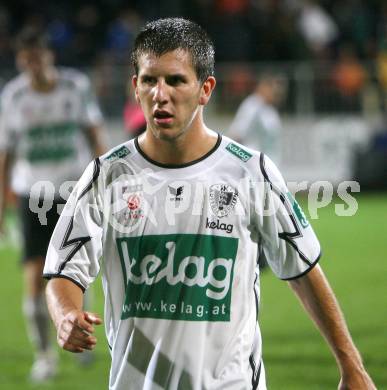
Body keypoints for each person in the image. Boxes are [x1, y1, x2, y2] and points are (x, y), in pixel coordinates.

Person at [43, 18, 376, 390]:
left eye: (175, 80)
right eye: (149, 80)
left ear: (205, 89)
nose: (160, 94)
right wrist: (66, 314)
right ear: (135, 88)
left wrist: (352, 366)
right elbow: (64, 269)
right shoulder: (106, 175)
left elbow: (303, 269)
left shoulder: (251, 172)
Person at [0, 28, 106, 382]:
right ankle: (44, 356)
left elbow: (94, 135)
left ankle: (82, 338)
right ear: (20, 62)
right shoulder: (13, 96)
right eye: (26, 60)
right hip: (33, 195)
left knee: (76, 274)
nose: (33, 66)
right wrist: (2, 205)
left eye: (38, 58)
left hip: (73, 191)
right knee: (34, 277)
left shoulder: (75, 87)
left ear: (49, 57)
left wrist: (103, 184)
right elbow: (6, 154)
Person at [228, 71, 285, 167]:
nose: (276, 94)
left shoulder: (271, 111)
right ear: (263, 87)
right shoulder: (252, 105)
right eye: (273, 90)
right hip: (252, 162)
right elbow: (237, 133)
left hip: (269, 163)